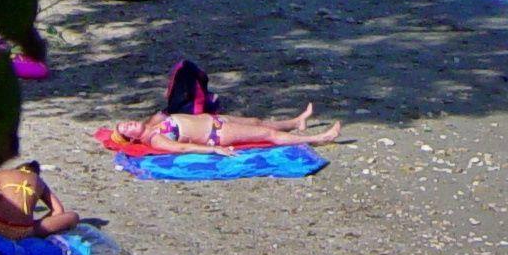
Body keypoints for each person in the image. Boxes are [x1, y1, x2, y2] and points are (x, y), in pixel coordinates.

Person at [113, 107, 342, 154]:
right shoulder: (155, 139)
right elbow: (182, 148)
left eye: (127, 122)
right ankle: (319, 138)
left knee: (256, 121)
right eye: (126, 129)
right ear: (131, 139)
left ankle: (295, 122)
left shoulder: (153, 123)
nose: (129, 124)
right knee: (267, 135)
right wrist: (213, 151)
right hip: (217, 134)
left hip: (215, 120)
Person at [0, 161, 80, 240]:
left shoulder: (4, 174)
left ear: (17, 169)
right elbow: (58, 210)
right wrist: (37, 224)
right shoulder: (39, 181)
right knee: (73, 216)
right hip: (22, 232)